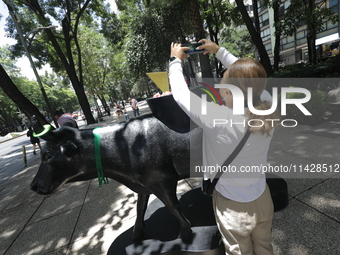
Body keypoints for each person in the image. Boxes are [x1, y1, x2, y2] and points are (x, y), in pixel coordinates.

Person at [169, 39, 279, 255]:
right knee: (265, 247)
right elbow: (251, 77)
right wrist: (220, 51)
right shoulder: (268, 105)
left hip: (232, 207)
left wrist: (175, 60)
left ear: (230, 93)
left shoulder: (216, 117)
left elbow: (180, 93)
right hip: (262, 199)